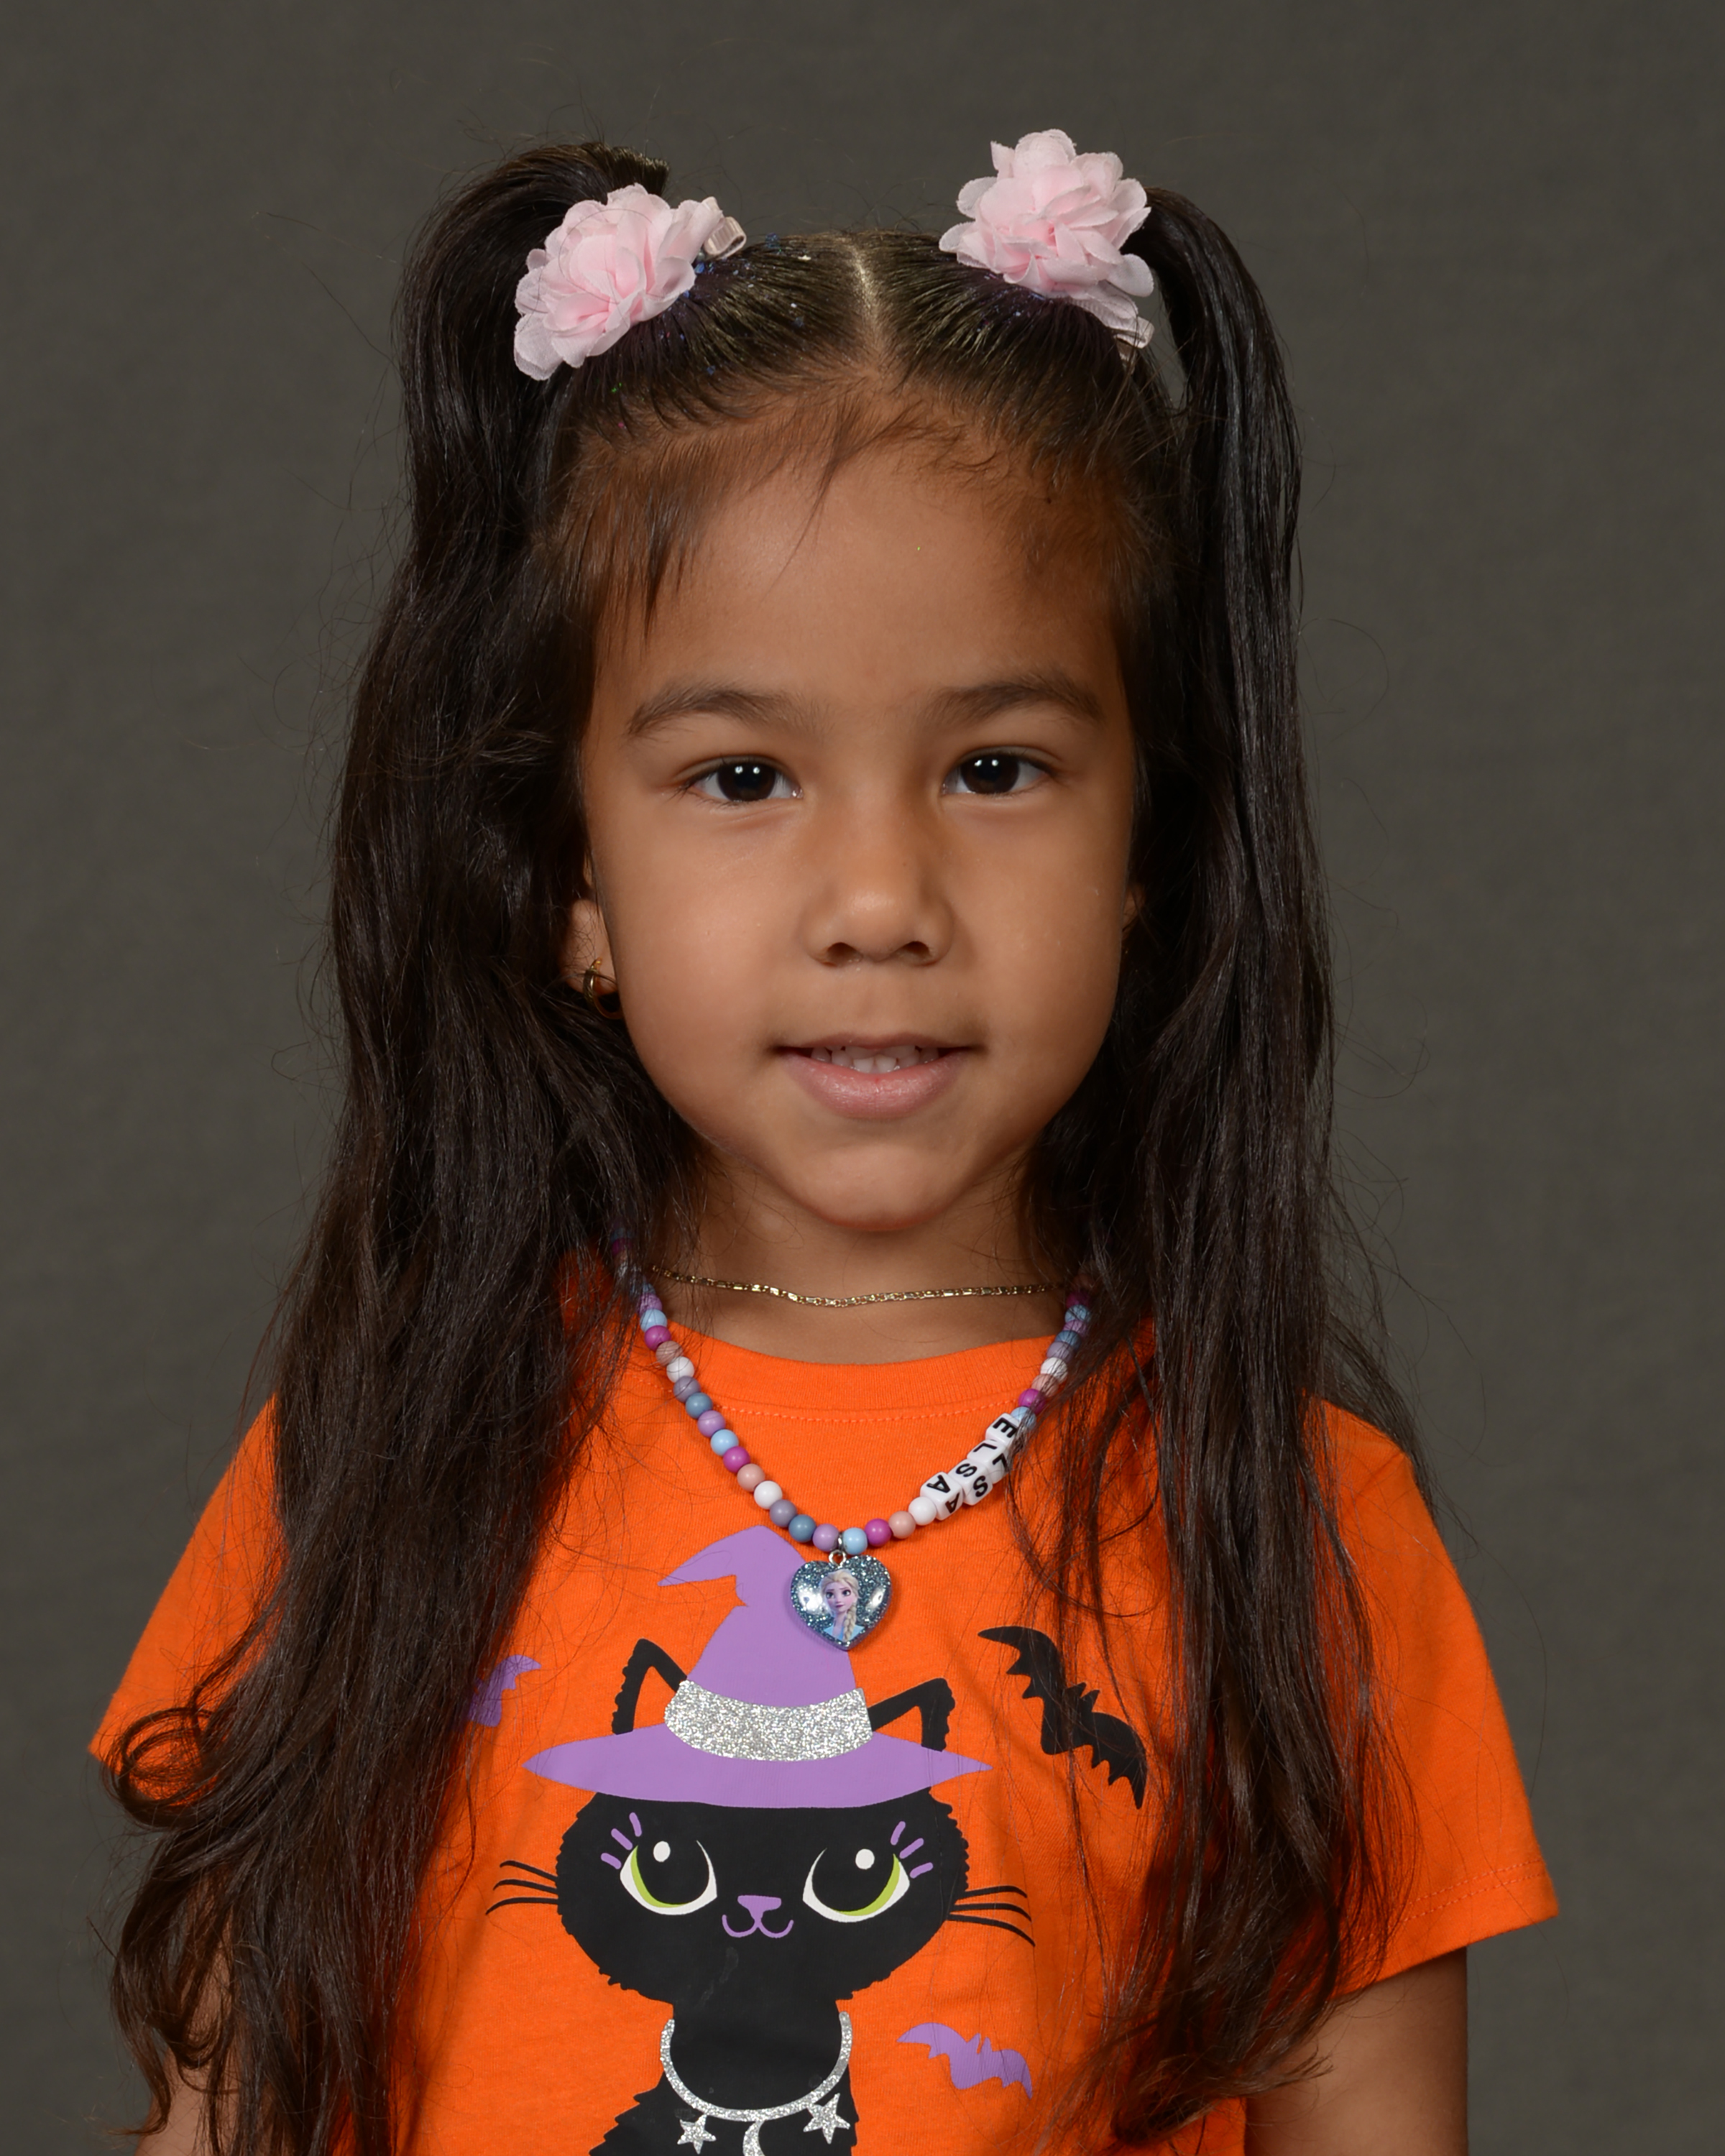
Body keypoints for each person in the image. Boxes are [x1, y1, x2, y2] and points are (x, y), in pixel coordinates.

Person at [98, 131, 1555, 2156]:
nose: (879, 897)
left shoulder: (1291, 1521)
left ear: (1149, 854)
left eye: (996, 767)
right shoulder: (383, 1451)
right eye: (743, 776)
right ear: (572, 885)